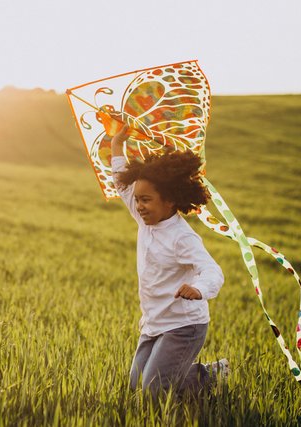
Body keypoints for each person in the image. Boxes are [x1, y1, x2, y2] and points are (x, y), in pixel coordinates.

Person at [109, 122, 229, 399]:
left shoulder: (181, 237)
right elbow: (121, 183)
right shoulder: (144, 219)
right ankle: (207, 372)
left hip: (184, 325)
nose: (139, 206)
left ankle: (206, 377)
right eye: (138, 200)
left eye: (146, 200)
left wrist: (199, 289)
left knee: (153, 392)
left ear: (170, 202)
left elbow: (211, 269)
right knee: (135, 387)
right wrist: (117, 145)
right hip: (154, 321)